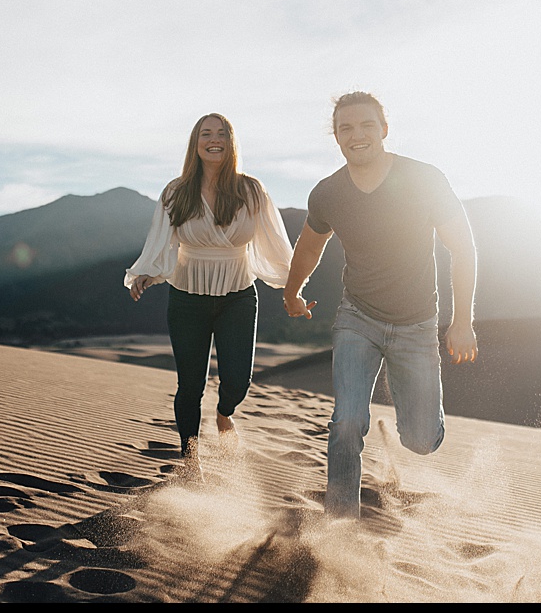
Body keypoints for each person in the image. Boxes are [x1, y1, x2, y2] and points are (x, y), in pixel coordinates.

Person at [283, 91, 478, 519]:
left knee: (422, 440)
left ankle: (416, 415)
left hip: (417, 325)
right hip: (358, 319)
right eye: (346, 128)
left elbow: (463, 248)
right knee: (347, 422)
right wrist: (292, 291)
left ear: (384, 129)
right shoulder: (328, 193)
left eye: (367, 125)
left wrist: (462, 320)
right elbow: (309, 249)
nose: (357, 135)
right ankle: (340, 526)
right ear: (336, 137)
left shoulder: (424, 179)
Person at [127, 113, 295, 461]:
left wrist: (293, 285)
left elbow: (275, 243)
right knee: (190, 387)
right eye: (206, 133)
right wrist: (147, 273)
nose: (213, 139)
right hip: (187, 296)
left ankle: (224, 413)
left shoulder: (251, 190)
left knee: (238, 382)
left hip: (238, 295)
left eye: (221, 133)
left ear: (231, 143)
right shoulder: (176, 192)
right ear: (196, 142)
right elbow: (160, 241)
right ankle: (191, 462)